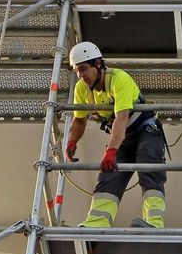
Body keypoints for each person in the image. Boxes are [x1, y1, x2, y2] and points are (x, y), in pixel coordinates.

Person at [66, 41, 167, 229]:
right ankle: (96, 224)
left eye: (83, 69)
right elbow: (79, 120)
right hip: (123, 137)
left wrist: (111, 151)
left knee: (149, 171)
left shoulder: (119, 79)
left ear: (98, 64)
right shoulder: (82, 89)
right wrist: (72, 140)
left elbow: (121, 117)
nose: (81, 75)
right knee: (108, 178)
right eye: (76, 70)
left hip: (146, 132)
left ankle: (154, 224)